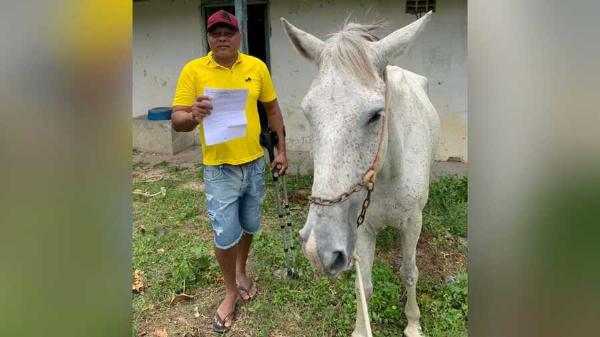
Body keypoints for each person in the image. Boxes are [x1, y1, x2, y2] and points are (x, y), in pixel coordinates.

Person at [171, 9, 288, 333]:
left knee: (249, 224)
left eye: (228, 32)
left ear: (239, 36)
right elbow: (177, 120)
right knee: (225, 235)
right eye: (215, 33)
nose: (222, 38)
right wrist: (193, 115)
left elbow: (272, 109)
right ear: (208, 38)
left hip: (253, 164)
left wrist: (281, 151)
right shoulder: (194, 70)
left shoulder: (256, 67)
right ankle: (230, 292)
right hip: (219, 169)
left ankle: (241, 270)